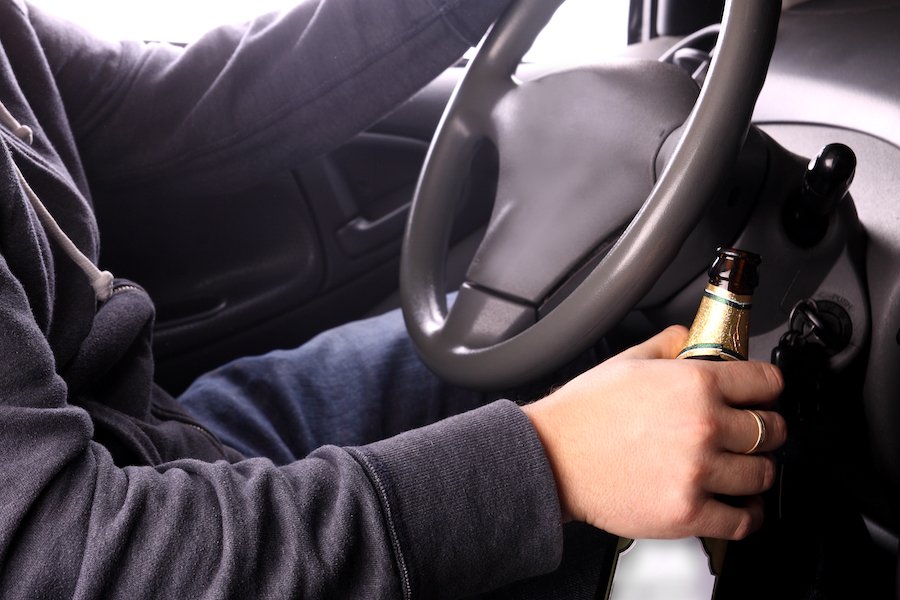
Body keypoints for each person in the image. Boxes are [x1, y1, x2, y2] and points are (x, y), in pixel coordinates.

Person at [0, 0, 786, 597]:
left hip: (164, 439)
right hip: (132, 527)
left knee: (567, 351)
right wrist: (553, 464)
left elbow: (182, 107)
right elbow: (69, 557)